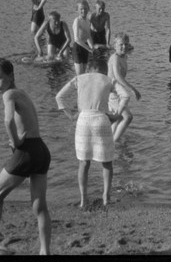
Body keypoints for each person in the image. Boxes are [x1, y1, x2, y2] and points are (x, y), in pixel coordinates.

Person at [0, 59, 51, 254]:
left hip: (27, 151)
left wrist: (15, 141)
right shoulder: (22, 93)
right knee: (39, 205)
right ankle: (45, 251)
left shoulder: (9, 94)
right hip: (41, 150)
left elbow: (8, 121)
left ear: (11, 76)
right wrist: (18, 141)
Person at [55, 55, 130, 208]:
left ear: (88, 69)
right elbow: (126, 95)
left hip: (83, 120)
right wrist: (116, 114)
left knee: (84, 163)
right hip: (101, 120)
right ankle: (106, 198)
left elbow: (59, 96)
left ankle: (83, 200)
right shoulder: (108, 80)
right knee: (107, 163)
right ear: (104, 70)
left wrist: (70, 114)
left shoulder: (79, 78)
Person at [107, 33, 141, 142]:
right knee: (128, 117)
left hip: (119, 93)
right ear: (115, 46)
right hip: (113, 93)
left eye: (126, 44)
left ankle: (111, 140)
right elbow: (118, 77)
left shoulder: (124, 56)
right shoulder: (115, 58)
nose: (124, 47)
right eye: (121, 44)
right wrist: (133, 89)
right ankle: (114, 142)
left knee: (119, 118)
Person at [71, 0, 95, 75]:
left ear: (88, 9)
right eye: (81, 9)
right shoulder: (77, 21)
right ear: (77, 10)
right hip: (77, 48)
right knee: (79, 74)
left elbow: (88, 36)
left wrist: (91, 47)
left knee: (84, 73)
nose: (83, 10)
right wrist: (88, 48)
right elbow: (76, 39)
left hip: (85, 48)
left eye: (85, 8)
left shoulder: (88, 21)